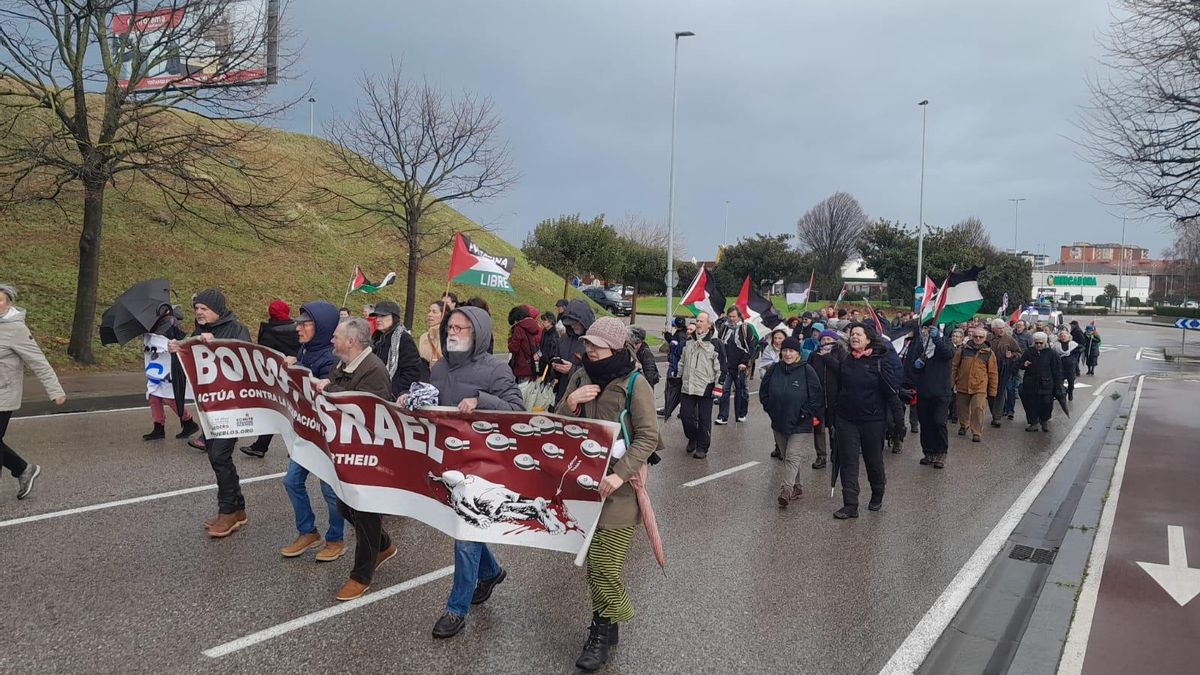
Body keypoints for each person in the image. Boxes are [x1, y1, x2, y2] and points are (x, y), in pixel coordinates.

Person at [559, 317, 662, 671]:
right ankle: (608, 623)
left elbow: (648, 436)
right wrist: (571, 402)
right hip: (583, 485)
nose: (589, 351)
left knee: (604, 565)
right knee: (593, 565)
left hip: (620, 492)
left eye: (597, 346)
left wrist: (619, 476)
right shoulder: (580, 376)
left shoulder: (635, 383)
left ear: (616, 349)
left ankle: (602, 631)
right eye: (587, 344)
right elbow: (561, 428)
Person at [428, 306, 525, 639]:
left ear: (479, 333)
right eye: (450, 327)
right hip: (448, 464)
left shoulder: (497, 370)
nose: (453, 332)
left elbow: (517, 412)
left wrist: (481, 399)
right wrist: (412, 400)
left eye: (461, 328)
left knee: (466, 535)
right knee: (461, 529)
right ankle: (492, 572)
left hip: (483, 467)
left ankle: (456, 610)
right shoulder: (438, 368)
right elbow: (434, 411)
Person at [319, 318, 398, 601]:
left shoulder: (374, 370)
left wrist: (328, 389)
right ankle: (384, 544)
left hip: (370, 452)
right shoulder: (342, 364)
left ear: (351, 341)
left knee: (364, 511)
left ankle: (361, 575)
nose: (332, 340)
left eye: (336, 336)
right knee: (344, 506)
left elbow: (368, 407)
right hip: (346, 448)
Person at [168, 289, 252, 537]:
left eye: (204, 308)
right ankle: (237, 510)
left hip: (234, 405)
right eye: (196, 309)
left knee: (219, 454)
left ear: (217, 309)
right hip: (211, 406)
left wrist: (216, 345)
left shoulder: (236, 329)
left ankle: (227, 513)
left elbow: (246, 361)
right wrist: (179, 349)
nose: (199, 313)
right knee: (217, 456)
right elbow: (192, 362)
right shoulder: (197, 331)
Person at [269, 301, 348, 559]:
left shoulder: (333, 357)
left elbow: (330, 395)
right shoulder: (304, 350)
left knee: (329, 489)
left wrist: (303, 374)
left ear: (322, 327)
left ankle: (336, 539)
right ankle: (308, 532)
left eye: (305, 323)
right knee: (291, 481)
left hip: (326, 436)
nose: (298, 328)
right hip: (305, 432)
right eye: (298, 322)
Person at [830, 323, 904, 519]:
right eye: (852, 334)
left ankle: (877, 492)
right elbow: (837, 390)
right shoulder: (845, 360)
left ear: (868, 338)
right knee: (848, 461)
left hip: (872, 420)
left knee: (873, 460)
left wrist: (899, 421)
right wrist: (833, 417)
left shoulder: (879, 362)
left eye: (859, 334)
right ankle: (850, 504)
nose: (854, 337)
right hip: (847, 420)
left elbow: (891, 392)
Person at [0, 283, 65, 500]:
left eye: (0, 300)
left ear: (9, 303)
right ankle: (22, 470)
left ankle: (23, 469)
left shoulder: (16, 329)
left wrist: (55, 390)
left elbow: (38, 361)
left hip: (3, 393)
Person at [760, 337, 822, 506]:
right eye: (785, 350)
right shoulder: (774, 369)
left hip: (800, 423)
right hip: (779, 421)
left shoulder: (807, 370)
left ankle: (786, 490)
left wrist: (804, 414)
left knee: (792, 455)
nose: (788, 354)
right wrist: (770, 409)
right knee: (787, 455)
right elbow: (764, 391)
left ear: (798, 353)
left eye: (792, 351)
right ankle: (797, 486)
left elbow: (816, 396)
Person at [237, 300, 299, 457]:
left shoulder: (269, 331)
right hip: (295, 376)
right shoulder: (297, 329)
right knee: (291, 413)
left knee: (277, 413)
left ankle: (264, 446)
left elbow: (263, 355)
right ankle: (268, 446)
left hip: (273, 377)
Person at [141, 303, 200, 442]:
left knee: (170, 398)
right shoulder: (149, 329)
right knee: (154, 397)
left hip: (169, 369)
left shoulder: (169, 325)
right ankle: (158, 427)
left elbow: (174, 344)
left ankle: (188, 422)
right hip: (155, 369)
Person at [678, 312, 726, 459]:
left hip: (706, 387)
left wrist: (718, 387)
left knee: (704, 419)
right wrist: (678, 376)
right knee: (686, 417)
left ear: (709, 325)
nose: (698, 323)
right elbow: (682, 362)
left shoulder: (715, 344)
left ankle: (702, 448)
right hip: (688, 386)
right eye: (697, 320)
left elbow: (722, 368)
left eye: (701, 321)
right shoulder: (689, 342)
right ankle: (693, 437)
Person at [906, 325, 954, 468]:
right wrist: (916, 366)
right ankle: (928, 451)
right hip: (924, 390)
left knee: (939, 422)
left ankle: (941, 452)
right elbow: (912, 367)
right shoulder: (920, 346)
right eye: (924, 329)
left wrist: (937, 339)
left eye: (929, 329)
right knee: (926, 423)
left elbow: (949, 353)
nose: (926, 331)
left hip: (941, 391)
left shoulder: (944, 342)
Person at [951, 326, 999, 443]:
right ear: (972, 336)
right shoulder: (963, 349)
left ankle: (976, 432)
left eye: (981, 337)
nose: (978, 338)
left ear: (985, 338)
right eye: (976, 336)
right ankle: (964, 425)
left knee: (978, 408)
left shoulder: (989, 353)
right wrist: (951, 383)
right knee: (962, 408)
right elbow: (954, 367)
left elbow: (993, 373)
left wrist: (992, 391)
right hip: (963, 384)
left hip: (979, 386)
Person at [370, 301, 426, 397]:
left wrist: (394, 390)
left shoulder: (403, 339)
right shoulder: (376, 337)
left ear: (394, 317)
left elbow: (412, 371)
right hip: (375, 389)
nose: (378, 319)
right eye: (377, 316)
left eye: (383, 316)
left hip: (393, 396)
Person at [807, 329, 844, 470]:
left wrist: (828, 358)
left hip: (836, 399)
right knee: (818, 429)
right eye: (823, 340)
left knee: (835, 428)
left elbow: (843, 371)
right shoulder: (814, 355)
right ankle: (821, 456)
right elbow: (808, 373)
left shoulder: (841, 353)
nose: (825, 342)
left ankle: (835, 454)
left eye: (829, 339)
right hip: (818, 400)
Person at [716, 307, 753, 424]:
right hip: (726, 366)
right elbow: (719, 344)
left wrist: (744, 362)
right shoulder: (724, 328)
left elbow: (750, 348)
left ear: (739, 316)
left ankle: (741, 414)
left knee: (741, 391)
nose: (731, 319)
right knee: (724, 390)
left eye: (734, 316)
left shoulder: (745, 328)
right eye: (730, 316)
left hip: (740, 366)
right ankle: (723, 416)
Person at [552, 299, 595, 398]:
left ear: (585, 321)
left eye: (575, 323)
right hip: (563, 395)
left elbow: (599, 372)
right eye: (570, 323)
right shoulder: (563, 339)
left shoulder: (594, 341)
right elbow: (554, 373)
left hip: (584, 398)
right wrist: (555, 367)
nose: (572, 326)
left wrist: (572, 370)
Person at [1020, 332, 1063, 432]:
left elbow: (1057, 369)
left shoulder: (1051, 353)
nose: (1038, 345)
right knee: (1031, 404)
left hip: (1046, 383)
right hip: (1031, 383)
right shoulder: (1028, 352)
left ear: (1045, 342)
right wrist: (1024, 364)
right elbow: (1020, 363)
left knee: (1047, 404)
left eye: (1041, 343)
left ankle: (1044, 420)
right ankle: (1033, 423)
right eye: (1036, 343)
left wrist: (1058, 384)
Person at [986, 319, 1021, 428]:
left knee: (1000, 393)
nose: (1001, 330)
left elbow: (1019, 353)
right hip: (988, 369)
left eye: (1003, 328)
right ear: (993, 329)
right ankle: (994, 413)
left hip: (1003, 369)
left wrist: (1012, 355)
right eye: (999, 328)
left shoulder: (1009, 339)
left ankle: (997, 417)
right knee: (990, 392)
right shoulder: (988, 338)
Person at [658, 318, 689, 420]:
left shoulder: (681, 336)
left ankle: (669, 410)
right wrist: (667, 334)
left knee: (670, 389)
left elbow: (677, 351)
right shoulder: (679, 333)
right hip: (674, 365)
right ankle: (676, 410)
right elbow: (672, 342)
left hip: (675, 367)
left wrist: (674, 365)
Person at [507, 305, 543, 382]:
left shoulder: (518, 328)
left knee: (521, 391)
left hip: (522, 366)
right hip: (532, 365)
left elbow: (513, 348)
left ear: (516, 320)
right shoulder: (533, 326)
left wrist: (510, 339)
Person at [1052, 329, 1082, 401]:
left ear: (1068, 336)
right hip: (1060, 367)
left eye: (1065, 335)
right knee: (1059, 383)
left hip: (1070, 367)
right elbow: (1052, 354)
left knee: (1071, 383)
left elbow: (1081, 348)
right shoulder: (1056, 345)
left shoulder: (1073, 344)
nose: (1063, 337)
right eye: (1061, 336)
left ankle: (1070, 392)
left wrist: (1074, 356)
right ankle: (1062, 394)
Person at [418, 300, 445, 369]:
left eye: (434, 312)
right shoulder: (423, 337)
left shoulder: (448, 336)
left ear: (444, 314)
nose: (429, 314)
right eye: (429, 311)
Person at [538, 311, 559, 379]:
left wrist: (547, 361)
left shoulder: (554, 335)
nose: (543, 322)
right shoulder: (544, 331)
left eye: (545, 320)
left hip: (548, 366)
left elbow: (553, 353)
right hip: (542, 363)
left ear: (550, 322)